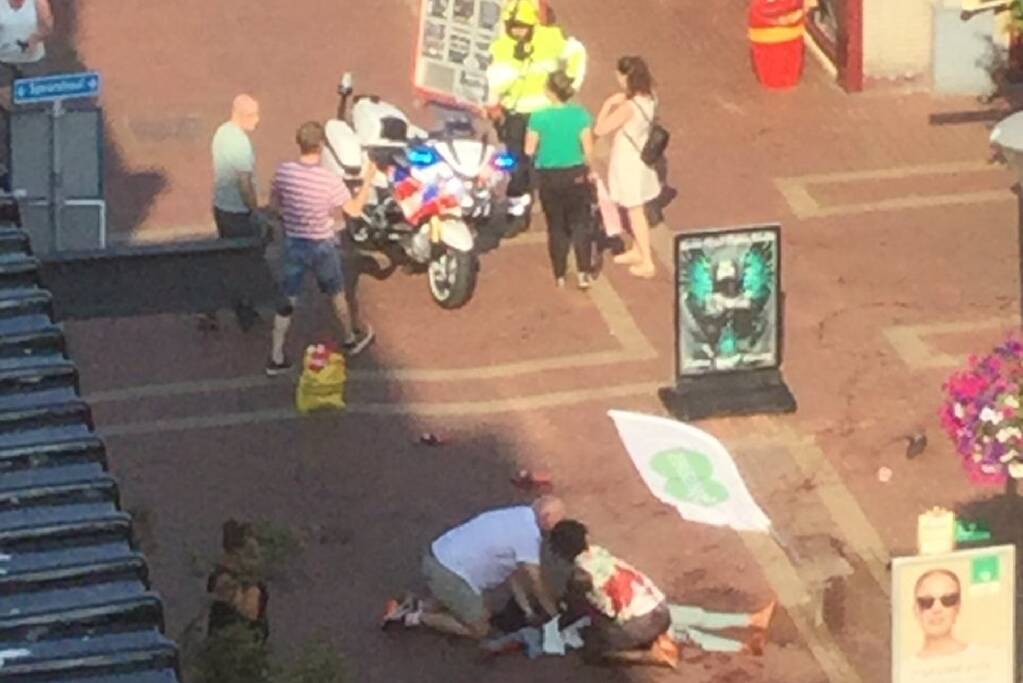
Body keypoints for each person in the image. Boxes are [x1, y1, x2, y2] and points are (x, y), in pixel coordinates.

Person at [264, 121, 376, 376]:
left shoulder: (284, 172)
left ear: (299, 144)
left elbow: (273, 205)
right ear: (322, 146)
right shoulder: (329, 180)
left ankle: (276, 355)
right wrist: (368, 180)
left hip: (295, 243)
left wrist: (287, 217)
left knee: (288, 299)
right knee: (337, 293)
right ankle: (349, 338)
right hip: (322, 245)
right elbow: (354, 210)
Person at [380, 496, 566, 641]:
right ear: (546, 517)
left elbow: (513, 573)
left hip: (437, 556)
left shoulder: (516, 514)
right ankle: (413, 617)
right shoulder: (529, 535)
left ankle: (416, 604)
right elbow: (536, 582)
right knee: (480, 628)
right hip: (450, 573)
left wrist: (528, 611)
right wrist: (555, 615)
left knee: (456, 598)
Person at [485, 0, 586, 233]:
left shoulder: (550, 39)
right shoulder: (500, 46)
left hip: (544, 114)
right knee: (517, 164)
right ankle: (518, 213)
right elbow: (491, 79)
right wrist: (493, 105)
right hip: (515, 116)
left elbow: (577, 52)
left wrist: (569, 84)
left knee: (551, 164)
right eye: (513, 26)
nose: (517, 31)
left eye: (522, 26)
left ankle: (559, 211)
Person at [548, 519, 679, 668]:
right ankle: (658, 637)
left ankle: (652, 656)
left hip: (642, 623)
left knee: (594, 651)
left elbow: (574, 609)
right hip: (661, 610)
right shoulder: (599, 552)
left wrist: (556, 624)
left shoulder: (580, 576)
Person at [525, 70, 596, 290]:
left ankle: (560, 274)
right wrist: (590, 171)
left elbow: (529, 149)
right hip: (575, 174)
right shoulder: (581, 115)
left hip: (549, 177)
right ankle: (584, 272)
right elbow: (588, 150)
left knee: (556, 226)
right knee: (581, 224)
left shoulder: (538, 117)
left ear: (549, 91)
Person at [594, 56, 661, 279]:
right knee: (633, 208)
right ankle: (637, 250)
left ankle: (647, 261)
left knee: (634, 210)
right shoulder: (650, 97)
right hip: (640, 156)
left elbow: (601, 128)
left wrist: (607, 105)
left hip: (627, 160)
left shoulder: (629, 107)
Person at [200, 94, 263, 332]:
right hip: (237, 211)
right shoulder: (241, 143)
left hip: (221, 206)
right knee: (243, 262)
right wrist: (255, 210)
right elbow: (244, 183)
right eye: (253, 115)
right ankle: (243, 312)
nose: (257, 121)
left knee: (229, 258)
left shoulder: (222, 132)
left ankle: (212, 308)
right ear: (242, 115)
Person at [206, 520, 269, 643]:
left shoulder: (255, 584)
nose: (256, 562)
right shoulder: (224, 579)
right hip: (230, 646)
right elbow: (248, 613)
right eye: (251, 556)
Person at [0, 0, 52, 77]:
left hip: (33, 62)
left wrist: (35, 38)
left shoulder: (39, 2)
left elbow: (47, 28)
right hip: (3, 62)